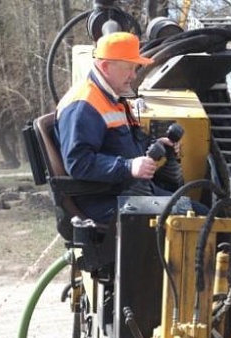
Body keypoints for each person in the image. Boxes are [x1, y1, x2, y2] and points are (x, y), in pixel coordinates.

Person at [55, 31, 188, 223]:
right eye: (129, 68)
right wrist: (129, 166)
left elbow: (123, 143)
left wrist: (155, 144)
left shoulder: (112, 97)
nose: (133, 76)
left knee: (196, 209)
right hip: (105, 201)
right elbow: (78, 163)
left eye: (135, 68)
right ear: (106, 67)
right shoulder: (83, 106)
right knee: (194, 218)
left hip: (128, 191)